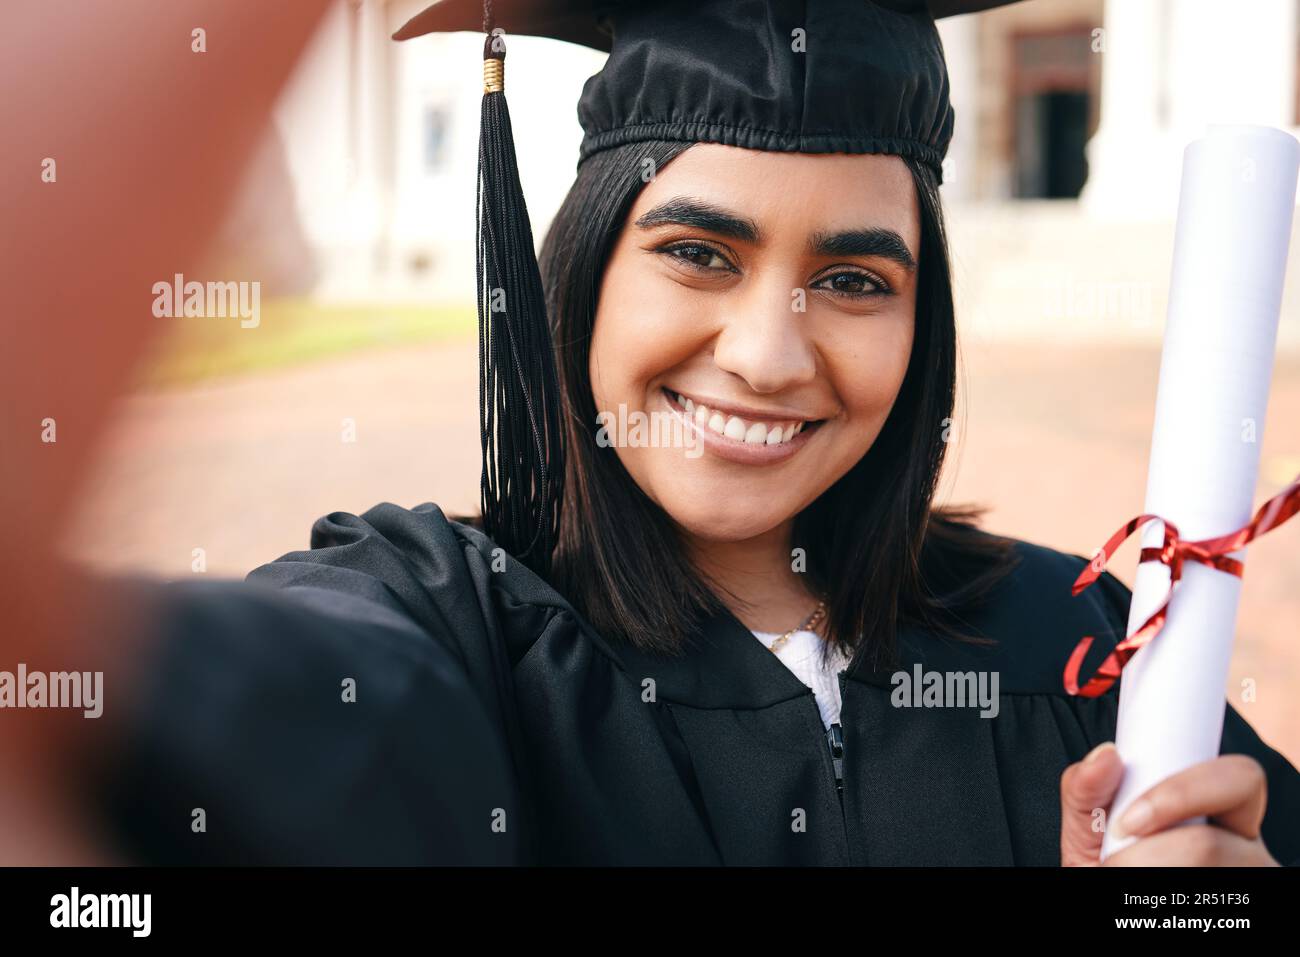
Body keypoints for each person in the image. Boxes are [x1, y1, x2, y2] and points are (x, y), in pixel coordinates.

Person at [89, 0, 1298, 866]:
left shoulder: (1082, 646)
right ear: (580, 275)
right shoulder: (449, 633)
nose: (768, 355)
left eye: (857, 279)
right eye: (697, 253)